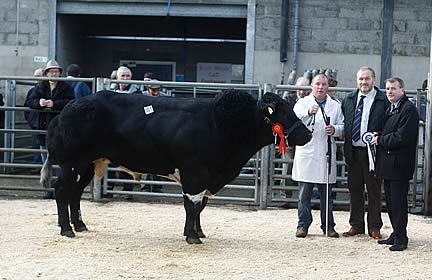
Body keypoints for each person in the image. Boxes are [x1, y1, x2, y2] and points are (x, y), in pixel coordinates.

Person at [292, 73, 344, 238]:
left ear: (328, 87)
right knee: (304, 195)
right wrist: (308, 112)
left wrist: (335, 130)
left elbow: (343, 125)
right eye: (317, 84)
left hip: (325, 154)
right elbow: (293, 121)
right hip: (307, 154)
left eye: (323, 84)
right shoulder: (302, 103)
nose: (320, 87)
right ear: (312, 86)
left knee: (327, 196)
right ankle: (303, 226)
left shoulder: (335, 105)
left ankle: (328, 226)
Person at [341, 66, 390, 239]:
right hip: (353, 151)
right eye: (361, 79)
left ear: (373, 80)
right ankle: (356, 225)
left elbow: (388, 125)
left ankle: (374, 226)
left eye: (367, 79)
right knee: (354, 189)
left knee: (374, 190)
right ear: (357, 80)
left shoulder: (383, 100)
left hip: (373, 153)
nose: (363, 82)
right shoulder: (348, 99)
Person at [372, 77, 419, 251]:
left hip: (399, 165)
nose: (389, 92)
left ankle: (401, 238)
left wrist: (380, 140)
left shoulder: (408, 110)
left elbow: (402, 137)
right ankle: (396, 232)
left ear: (402, 90)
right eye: (387, 89)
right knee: (391, 202)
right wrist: (380, 134)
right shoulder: (392, 109)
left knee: (398, 202)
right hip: (390, 164)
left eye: (393, 88)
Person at [25, 60, 74, 163]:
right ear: (46, 73)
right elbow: (30, 101)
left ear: (60, 73)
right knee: (44, 153)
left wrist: (54, 104)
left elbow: (71, 101)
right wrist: (39, 103)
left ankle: (56, 177)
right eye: (51, 71)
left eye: (56, 71)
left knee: (57, 153)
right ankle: (47, 176)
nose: (54, 74)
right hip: (42, 124)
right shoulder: (40, 87)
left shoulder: (66, 87)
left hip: (59, 125)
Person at [24, 68, 44, 164]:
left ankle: (42, 165)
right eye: (35, 76)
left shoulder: (47, 90)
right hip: (35, 122)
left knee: (43, 144)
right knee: (36, 144)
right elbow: (27, 105)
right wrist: (30, 120)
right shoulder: (33, 90)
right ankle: (37, 165)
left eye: (39, 76)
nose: (37, 78)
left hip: (44, 121)